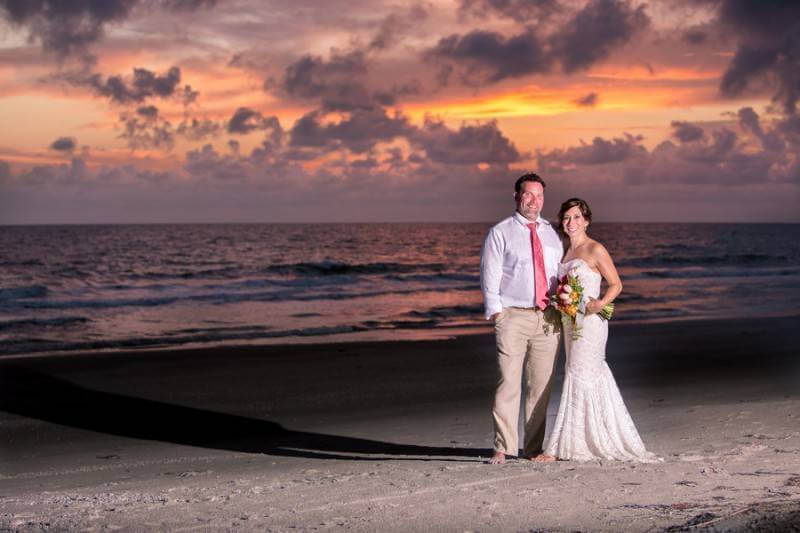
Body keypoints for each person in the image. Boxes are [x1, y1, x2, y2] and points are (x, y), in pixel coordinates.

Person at [534, 198, 659, 462]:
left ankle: (562, 448)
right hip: (570, 321)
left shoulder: (595, 249)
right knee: (575, 371)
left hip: (591, 322)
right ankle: (579, 440)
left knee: (582, 371)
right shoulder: (565, 253)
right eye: (566, 218)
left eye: (577, 217)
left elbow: (616, 284)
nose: (571, 223)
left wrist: (600, 303)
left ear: (586, 220)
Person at [480, 173, 563, 464]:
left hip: (549, 318)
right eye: (528, 194)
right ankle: (503, 447)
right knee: (508, 382)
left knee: (540, 385)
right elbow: (489, 274)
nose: (533, 201)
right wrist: (497, 312)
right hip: (513, 316)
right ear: (516, 196)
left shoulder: (552, 233)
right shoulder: (500, 232)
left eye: (539, 196)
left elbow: (559, 274)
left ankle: (533, 448)